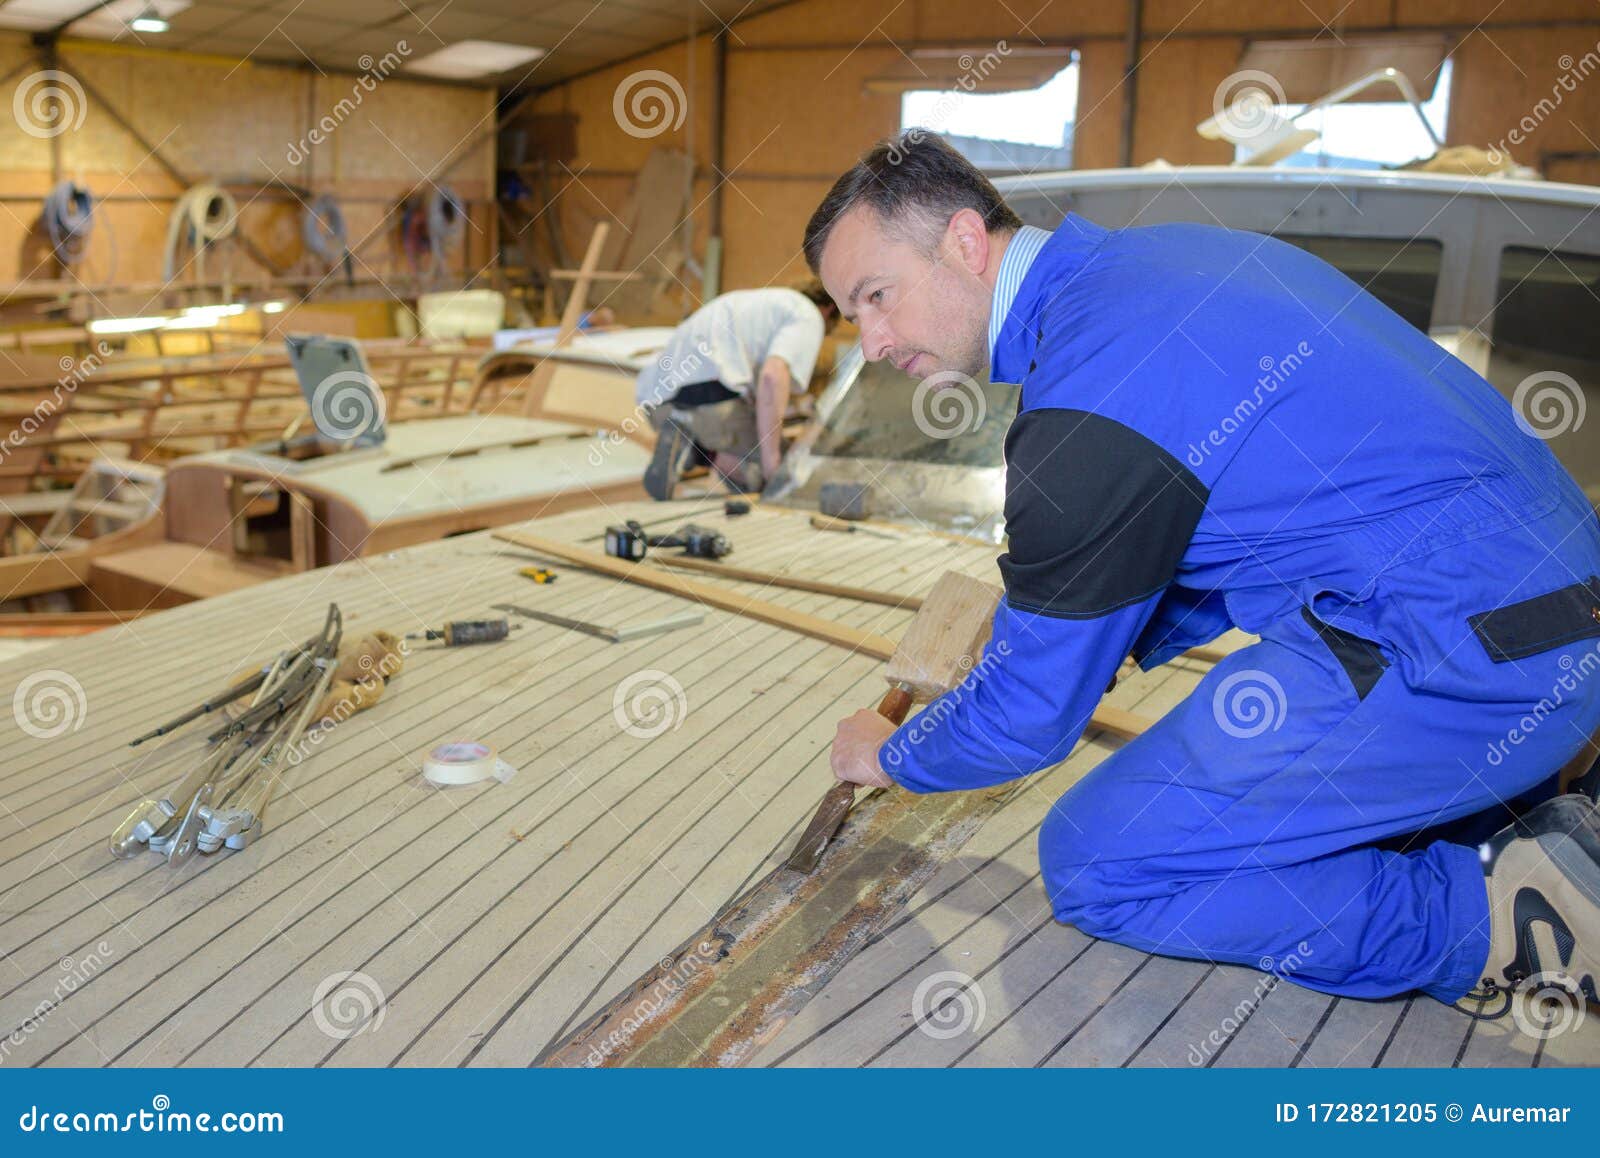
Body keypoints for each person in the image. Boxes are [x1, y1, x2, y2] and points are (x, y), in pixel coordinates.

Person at [807, 131, 1600, 1021]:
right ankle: (1505, 818)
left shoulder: (1084, 394)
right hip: (1535, 620)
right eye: (849, 314)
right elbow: (1237, 529)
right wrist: (1075, 630)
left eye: (876, 297)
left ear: (962, 240)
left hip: (1461, 660)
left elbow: (1029, 724)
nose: (870, 341)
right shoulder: (1155, 263)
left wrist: (896, 754)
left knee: (1101, 862)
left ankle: (1507, 914)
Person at [637, 281, 838, 498]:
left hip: (659, 404)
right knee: (787, 475)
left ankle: (694, 447)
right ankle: (695, 451)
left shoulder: (758, 303)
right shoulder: (808, 314)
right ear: (829, 309)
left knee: (747, 451)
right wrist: (772, 462)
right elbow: (772, 378)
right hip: (708, 402)